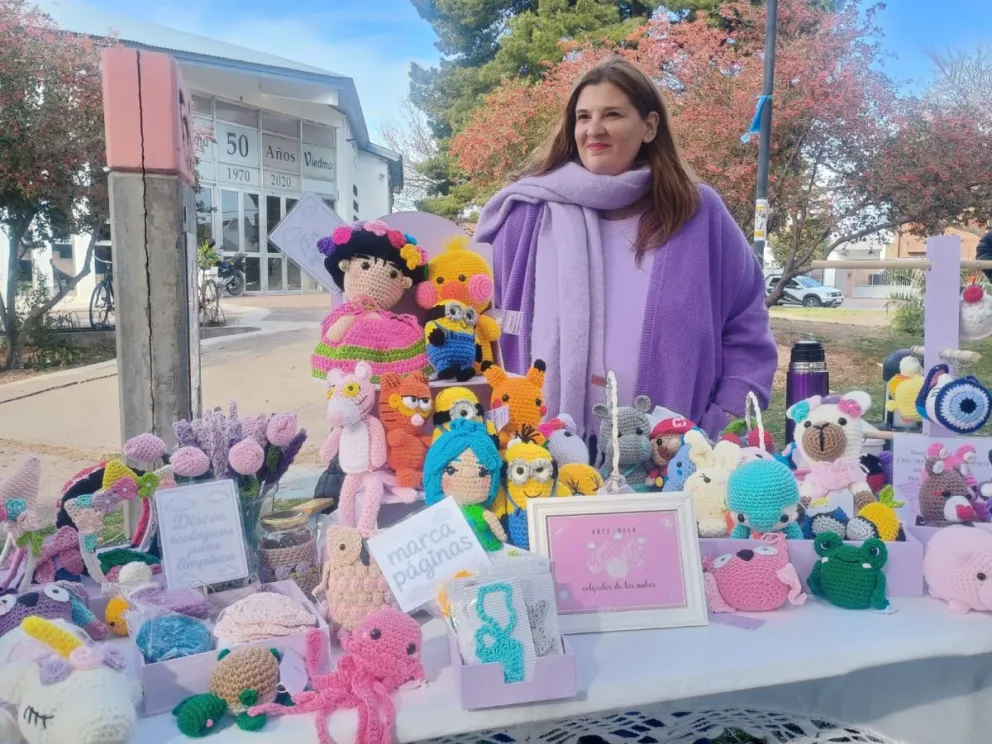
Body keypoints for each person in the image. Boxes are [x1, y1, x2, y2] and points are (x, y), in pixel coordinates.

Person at [474, 57, 777, 441]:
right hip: (538, 459)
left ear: (650, 126)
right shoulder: (527, 216)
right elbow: (477, 315)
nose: (593, 129)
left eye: (612, 114)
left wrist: (724, 418)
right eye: (583, 117)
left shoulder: (696, 213)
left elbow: (747, 322)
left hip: (672, 459)